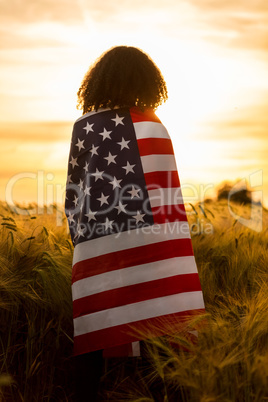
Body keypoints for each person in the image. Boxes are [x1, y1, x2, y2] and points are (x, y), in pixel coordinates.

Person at [65, 46, 205, 401]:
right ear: (148, 82)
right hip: (155, 248)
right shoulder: (155, 125)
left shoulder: (85, 127)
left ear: (97, 82)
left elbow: (74, 192)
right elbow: (168, 194)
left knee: (95, 327)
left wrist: (80, 237)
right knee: (155, 320)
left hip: (96, 246)